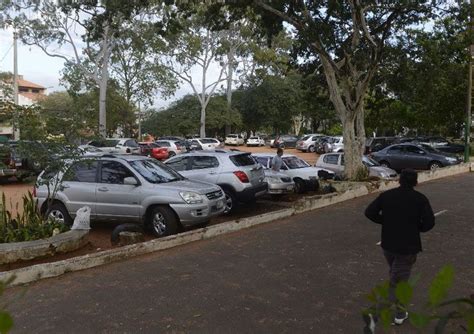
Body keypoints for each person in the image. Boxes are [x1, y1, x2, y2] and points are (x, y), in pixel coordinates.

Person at [364, 169, 435, 327]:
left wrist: (386, 221)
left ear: (399, 180)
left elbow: (369, 212)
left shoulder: (387, 196)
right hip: (408, 247)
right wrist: (418, 227)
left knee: (397, 277)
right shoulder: (420, 199)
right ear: (416, 182)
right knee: (398, 282)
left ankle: (398, 311)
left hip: (388, 245)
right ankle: (386, 314)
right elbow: (429, 223)